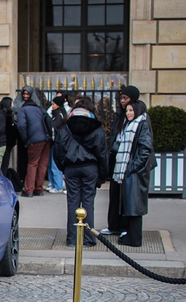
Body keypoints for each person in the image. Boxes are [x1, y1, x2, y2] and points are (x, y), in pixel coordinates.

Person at [53, 98, 108, 247]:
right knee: (88, 202)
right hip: (91, 167)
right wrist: (102, 175)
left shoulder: (65, 127)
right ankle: (89, 239)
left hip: (71, 168)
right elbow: (102, 153)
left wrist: (63, 167)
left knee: (73, 203)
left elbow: (57, 151)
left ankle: (72, 239)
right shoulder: (96, 128)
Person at [111, 100, 156, 247]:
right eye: (127, 111)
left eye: (131, 110)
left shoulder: (141, 124)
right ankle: (131, 236)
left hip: (134, 172)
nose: (128, 113)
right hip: (130, 170)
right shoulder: (133, 124)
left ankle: (134, 239)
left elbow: (145, 149)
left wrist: (133, 167)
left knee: (135, 206)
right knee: (130, 205)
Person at [101, 85, 139, 236]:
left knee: (126, 196)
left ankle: (124, 226)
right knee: (115, 193)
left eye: (126, 99)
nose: (123, 102)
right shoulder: (119, 115)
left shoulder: (137, 116)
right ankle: (114, 225)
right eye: (121, 98)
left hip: (129, 159)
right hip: (118, 156)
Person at [16, 86, 51, 197]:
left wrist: (26, 139)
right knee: (42, 164)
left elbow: (21, 125)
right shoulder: (40, 109)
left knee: (32, 164)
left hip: (34, 139)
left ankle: (29, 190)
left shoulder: (22, 110)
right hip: (46, 138)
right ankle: (39, 189)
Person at [46, 96, 67, 194]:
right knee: (51, 164)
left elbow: (55, 128)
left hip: (57, 142)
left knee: (55, 164)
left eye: (54, 104)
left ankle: (58, 185)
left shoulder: (58, 116)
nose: (52, 105)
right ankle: (54, 183)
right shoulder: (56, 114)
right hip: (54, 142)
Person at [0, 96, 23, 176]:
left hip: (2, 142)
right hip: (6, 142)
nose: (13, 105)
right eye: (12, 103)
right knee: (4, 164)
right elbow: (11, 131)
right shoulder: (8, 115)